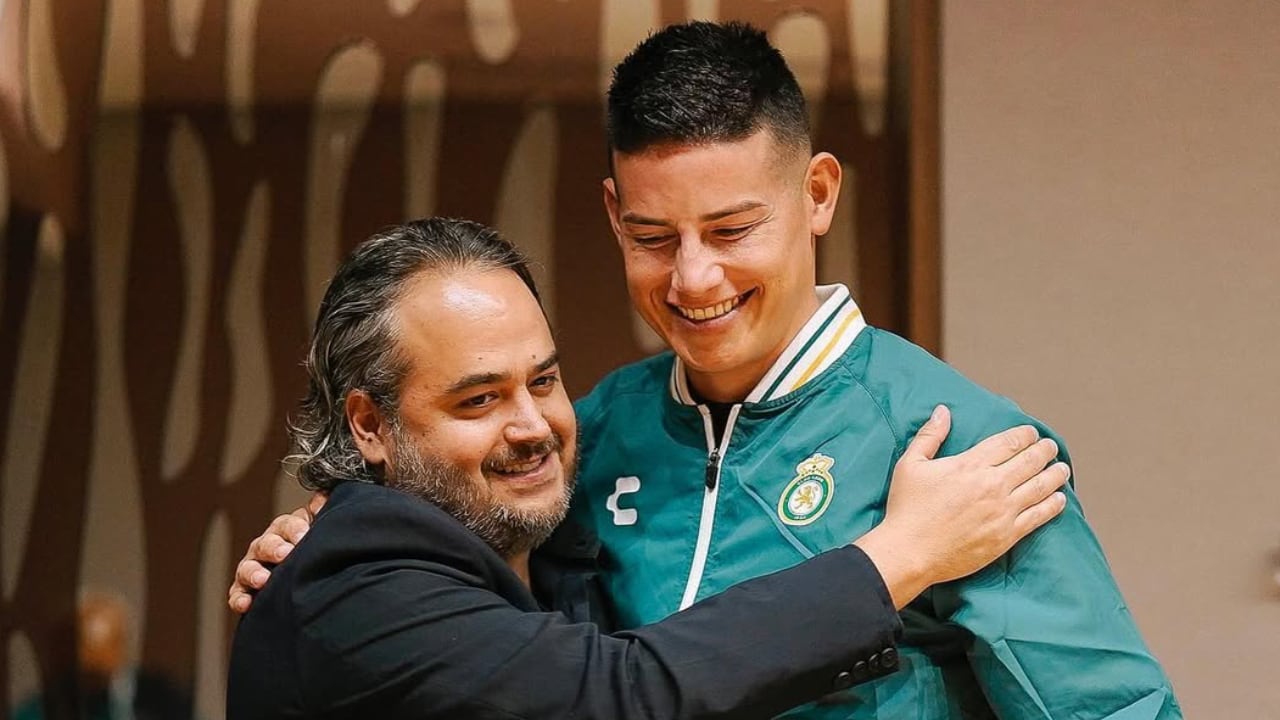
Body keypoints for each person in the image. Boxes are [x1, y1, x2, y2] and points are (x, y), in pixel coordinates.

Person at [232, 20, 1182, 718]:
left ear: (816, 195)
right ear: (613, 216)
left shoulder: (960, 453)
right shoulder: (592, 436)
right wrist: (327, 524)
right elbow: (550, 664)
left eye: (732, 231)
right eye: (653, 236)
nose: (694, 279)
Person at [225, 218, 1068, 719]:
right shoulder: (358, 576)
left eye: (544, 380)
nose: (534, 427)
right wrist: (901, 554)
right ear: (368, 423)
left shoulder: (507, 548)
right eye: (479, 400)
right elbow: (616, 696)